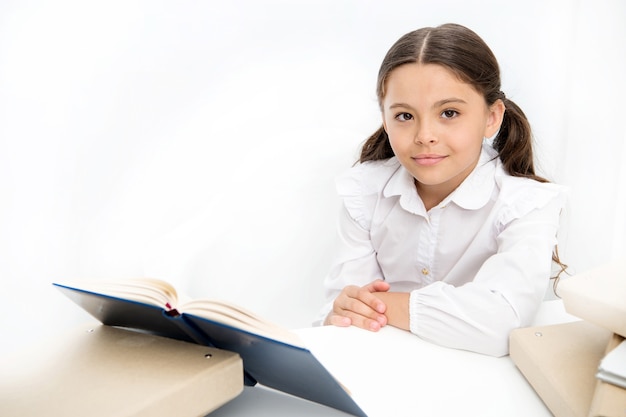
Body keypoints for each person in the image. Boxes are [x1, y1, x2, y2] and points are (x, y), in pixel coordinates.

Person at [317, 23, 566, 357]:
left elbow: (501, 321)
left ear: (491, 117)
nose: (425, 135)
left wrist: (378, 306)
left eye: (449, 113)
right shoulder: (364, 192)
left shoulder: (525, 204)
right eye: (405, 115)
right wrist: (343, 311)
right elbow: (342, 315)